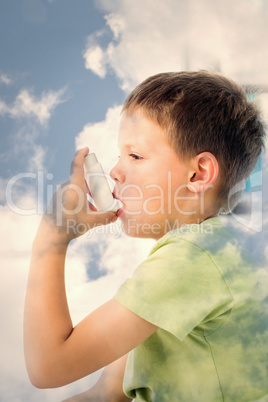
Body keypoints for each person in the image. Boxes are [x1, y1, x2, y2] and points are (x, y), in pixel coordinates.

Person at [24, 71, 268, 401]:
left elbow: (49, 367)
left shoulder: (195, 256)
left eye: (135, 156)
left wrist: (52, 239)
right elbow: (106, 395)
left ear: (198, 174)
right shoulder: (195, 263)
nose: (114, 171)